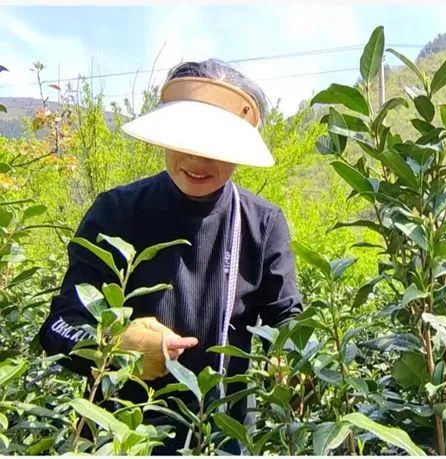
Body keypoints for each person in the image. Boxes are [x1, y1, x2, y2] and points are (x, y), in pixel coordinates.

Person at [37, 59, 302, 453]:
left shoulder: (261, 223)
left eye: (217, 146)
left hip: (223, 436)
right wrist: (117, 345)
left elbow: (287, 319)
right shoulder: (117, 212)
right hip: (119, 435)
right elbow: (59, 326)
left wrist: (290, 359)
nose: (197, 161)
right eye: (185, 139)